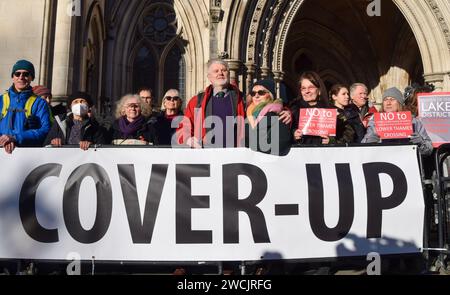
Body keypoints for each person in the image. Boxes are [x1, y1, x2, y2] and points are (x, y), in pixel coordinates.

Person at [179, 59, 291, 148]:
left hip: (235, 157)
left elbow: (268, 104)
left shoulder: (242, 99)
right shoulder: (197, 101)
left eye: (224, 70)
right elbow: (184, 127)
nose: (220, 73)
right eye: (216, 71)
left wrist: (286, 112)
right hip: (207, 157)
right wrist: (188, 139)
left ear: (228, 74)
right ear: (209, 77)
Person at [362, 87, 433, 156]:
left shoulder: (413, 121)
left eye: (392, 99)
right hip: (383, 161)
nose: (388, 103)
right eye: (385, 99)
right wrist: (370, 141)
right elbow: (362, 147)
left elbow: (429, 150)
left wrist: (420, 143)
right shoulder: (375, 121)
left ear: (399, 103)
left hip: (408, 161)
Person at [0, 59, 51, 154]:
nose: (21, 77)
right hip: (2, 152)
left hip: (27, 155)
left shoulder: (40, 103)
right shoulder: (1, 100)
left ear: (32, 78)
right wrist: (4, 140)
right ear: (13, 77)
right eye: (17, 74)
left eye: (26, 74)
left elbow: (45, 130)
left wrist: (15, 138)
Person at [245, 79, 291, 155]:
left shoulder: (278, 114)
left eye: (261, 92)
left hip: (271, 164)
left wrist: (252, 143)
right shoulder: (249, 114)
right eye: (253, 93)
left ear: (270, 94)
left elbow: (280, 144)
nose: (256, 96)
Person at [290, 71, 330, 145]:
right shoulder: (293, 110)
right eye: (303, 88)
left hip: (323, 153)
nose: (307, 91)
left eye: (311, 87)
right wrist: (293, 134)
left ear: (319, 91)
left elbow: (342, 137)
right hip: (300, 153)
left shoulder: (329, 111)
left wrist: (331, 140)